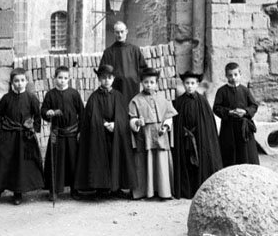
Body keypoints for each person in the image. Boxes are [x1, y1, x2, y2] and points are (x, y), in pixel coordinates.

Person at [74, 64, 137, 197]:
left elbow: (124, 116)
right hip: (98, 134)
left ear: (113, 79)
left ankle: (116, 187)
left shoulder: (119, 96)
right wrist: (102, 124)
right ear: (99, 79)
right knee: (100, 158)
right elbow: (89, 117)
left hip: (115, 134)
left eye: (109, 77)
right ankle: (100, 187)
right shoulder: (93, 97)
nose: (106, 80)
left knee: (115, 157)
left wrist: (116, 124)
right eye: (103, 78)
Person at [0, 67, 44, 206]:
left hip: (24, 136)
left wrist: (33, 129)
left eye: (22, 80)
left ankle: (18, 192)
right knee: (2, 162)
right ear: (12, 82)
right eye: (16, 81)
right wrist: (0, 130)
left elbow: (37, 116)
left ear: (26, 81)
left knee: (20, 164)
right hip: (8, 135)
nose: (19, 83)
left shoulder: (31, 98)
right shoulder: (6, 98)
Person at [129, 67, 177, 200]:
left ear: (156, 83)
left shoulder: (163, 98)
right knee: (145, 161)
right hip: (145, 135)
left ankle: (163, 191)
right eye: (146, 82)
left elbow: (169, 116)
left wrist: (166, 126)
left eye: (151, 82)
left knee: (161, 161)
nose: (149, 85)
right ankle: (146, 191)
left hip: (161, 134)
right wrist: (137, 122)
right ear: (141, 83)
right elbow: (131, 119)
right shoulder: (135, 100)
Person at [172, 71, 222, 199]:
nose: (189, 86)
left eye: (192, 83)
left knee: (199, 161)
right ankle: (187, 190)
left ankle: (200, 188)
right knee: (186, 163)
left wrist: (201, 135)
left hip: (199, 137)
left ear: (197, 84)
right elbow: (176, 122)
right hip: (184, 138)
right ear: (183, 84)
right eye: (187, 83)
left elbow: (208, 124)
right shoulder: (178, 102)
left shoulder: (203, 101)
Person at [41, 65, 84, 201]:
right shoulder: (50, 94)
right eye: (60, 78)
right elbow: (43, 111)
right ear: (55, 78)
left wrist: (80, 131)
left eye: (65, 78)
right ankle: (54, 190)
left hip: (71, 133)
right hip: (56, 133)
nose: (62, 80)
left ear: (69, 79)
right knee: (55, 162)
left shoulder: (74, 93)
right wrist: (48, 113)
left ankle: (74, 189)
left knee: (73, 161)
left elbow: (82, 113)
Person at [213, 62, 260, 167]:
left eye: (235, 75)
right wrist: (228, 112)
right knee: (229, 154)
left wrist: (245, 112)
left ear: (240, 74)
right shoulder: (221, 91)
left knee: (246, 154)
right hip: (228, 128)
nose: (233, 78)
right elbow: (216, 108)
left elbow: (254, 105)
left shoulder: (245, 90)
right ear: (226, 76)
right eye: (230, 75)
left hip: (244, 128)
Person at [99, 21, 148, 104]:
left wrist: (135, 79)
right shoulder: (108, 52)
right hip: (115, 90)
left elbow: (143, 69)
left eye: (122, 32)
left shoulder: (135, 50)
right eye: (117, 32)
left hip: (132, 89)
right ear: (114, 33)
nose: (120, 35)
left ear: (126, 31)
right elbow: (102, 72)